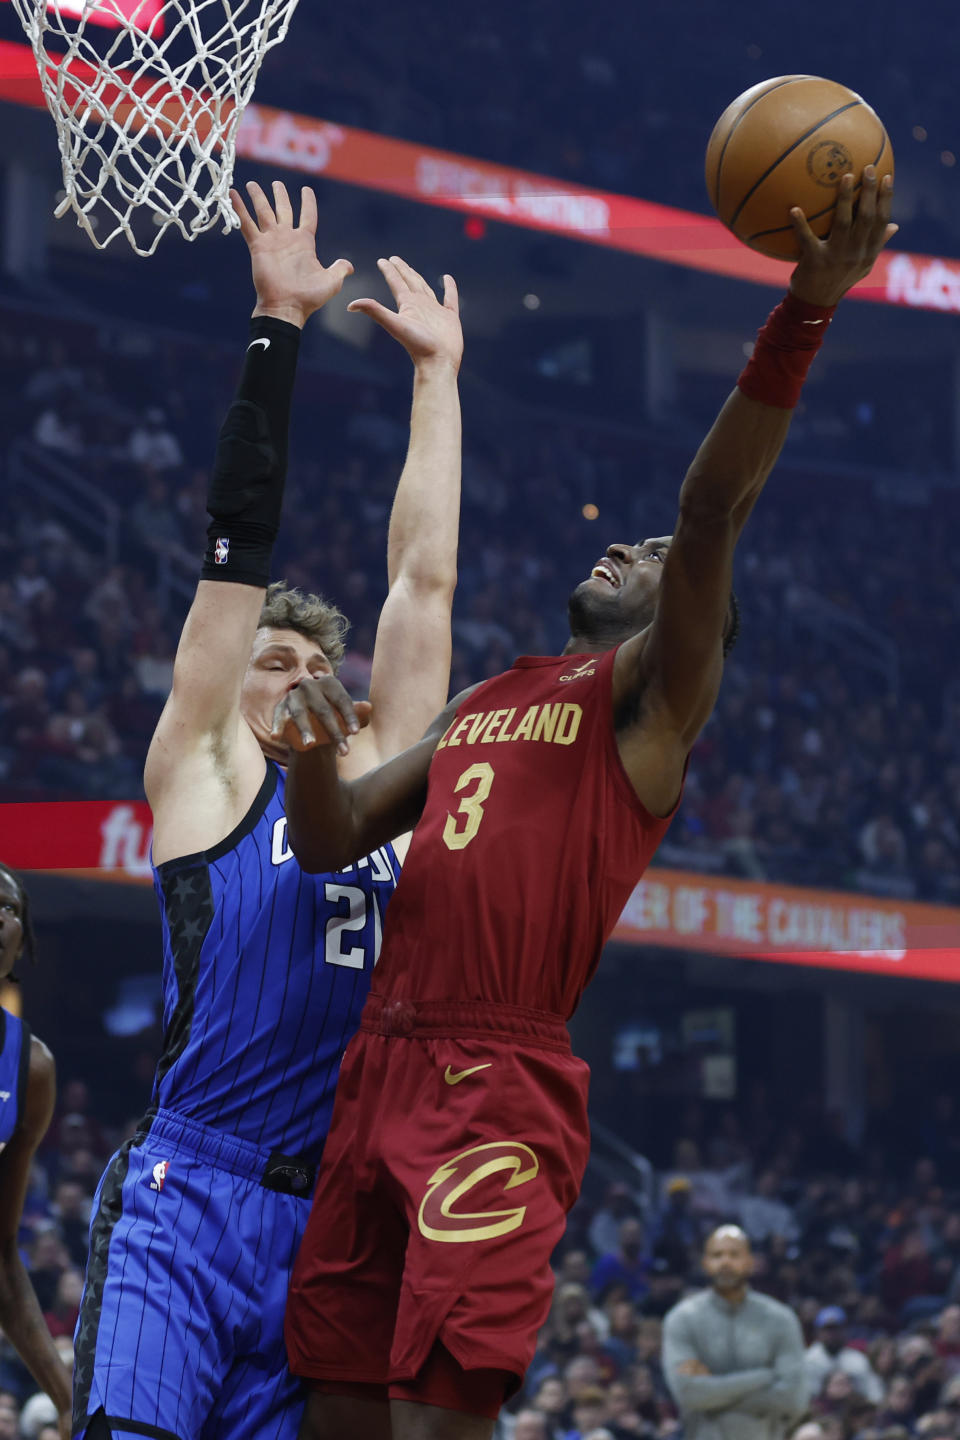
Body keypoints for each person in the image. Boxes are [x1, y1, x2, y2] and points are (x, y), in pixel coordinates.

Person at [280, 168, 895, 1437]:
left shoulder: (650, 703)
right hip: (379, 1065)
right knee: (335, 1399)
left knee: (442, 1408)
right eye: (634, 549)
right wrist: (304, 752)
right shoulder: (490, 698)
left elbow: (711, 504)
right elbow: (333, 837)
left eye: (658, 564)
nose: (628, 549)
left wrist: (805, 312)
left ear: (694, 625)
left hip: (494, 1074)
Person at [71, 181, 464, 1440]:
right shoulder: (205, 773)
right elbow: (236, 545)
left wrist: (438, 381)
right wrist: (277, 330)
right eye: (275, 663)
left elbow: (425, 577)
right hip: (192, 1188)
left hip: (328, 1228)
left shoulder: (381, 789)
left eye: (317, 665)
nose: (302, 677)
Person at [0, 864, 73, 1440]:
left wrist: (65, 1396)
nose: (0, 920)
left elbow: (2, 1257)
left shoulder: (32, 1068)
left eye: (10, 910)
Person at [662, 1226, 808, 1439]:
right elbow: (688, 1392)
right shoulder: (682, 1319)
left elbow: (794, 1399)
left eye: (734, 1254)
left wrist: (713, 1400)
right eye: (717, 1255)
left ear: (750, 1262)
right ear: (705, 1263)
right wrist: (762, 1377)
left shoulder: (780, 1319)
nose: (725, 1262)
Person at [804, 1307, 884, 1405]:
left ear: (844, 1330)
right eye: (828, 1329)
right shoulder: (808, 1359)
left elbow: (874, 1394)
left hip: (852, 1412)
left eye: (836, 1329)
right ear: (818, 1332)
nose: (832, 1334)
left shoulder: (858, 1359)